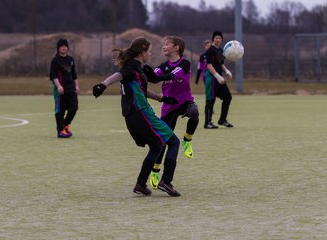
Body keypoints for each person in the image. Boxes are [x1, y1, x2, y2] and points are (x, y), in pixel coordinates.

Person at [92, 37, 181, 197]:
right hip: (141, 113)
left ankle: (140, 184)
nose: (150, 54)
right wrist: (103, 84)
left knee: (156, 146)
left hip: (133, 117)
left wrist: (162, 98)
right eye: (149, 51)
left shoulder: (135, 69)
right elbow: (119, 74)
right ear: (142, 52)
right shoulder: (132, 67)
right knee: (173, 142)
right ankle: (166, 181)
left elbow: (141, 90)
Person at [143, 36, 199, 189]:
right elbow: (154, 76)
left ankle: (187, 140)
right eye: (164, 44)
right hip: (168, 105)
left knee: (194, 112)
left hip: (184, 101)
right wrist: (144, 73)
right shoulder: (162, 65)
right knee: (162, 142)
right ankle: (155, 171)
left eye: (167, 44)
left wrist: (156, 77)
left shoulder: (185, 64)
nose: (164, 47)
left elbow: (174, 75)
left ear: (176, 48)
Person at [49, 39, 80, 138]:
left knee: (74, 108)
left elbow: (74, 74)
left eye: (65, 46)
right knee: (60, 111)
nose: (64, 48)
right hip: (60, 89)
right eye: (61, 46)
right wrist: (58, 86)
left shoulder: (70, 59)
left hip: (71, 88)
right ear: (58, 48)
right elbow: (53, 75)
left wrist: (76, 85)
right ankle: (60, 131)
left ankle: (65, 125)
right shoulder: (55, 60)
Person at [204, 31, 233, 129]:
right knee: (211, 100)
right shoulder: (210, 50)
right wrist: (217, 76)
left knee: (227, 97)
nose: (218, 40)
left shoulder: (220, 50)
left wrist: (227, 71)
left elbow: (220, 63)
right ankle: (207, 122)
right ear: (213, 39)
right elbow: (209, 65)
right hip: (212, 78)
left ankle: (222, 120)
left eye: (220, 38)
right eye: (216, 38)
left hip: (220, 77)